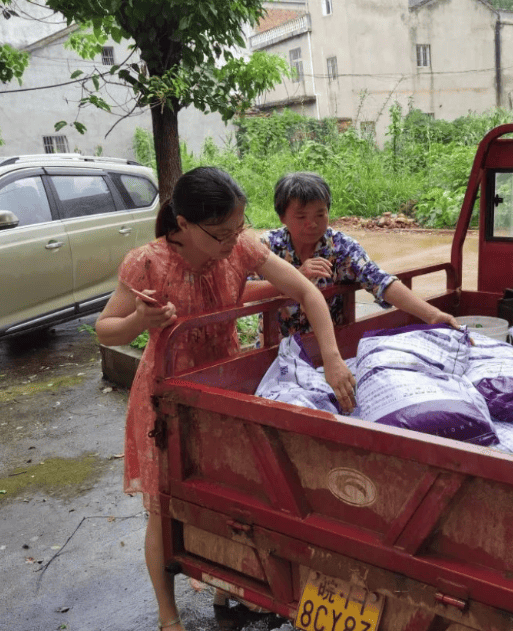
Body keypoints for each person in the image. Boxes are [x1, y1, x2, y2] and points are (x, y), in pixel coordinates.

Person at [95, 167, 355, 631]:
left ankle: (226, 585)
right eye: (220, 234)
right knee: (163, 508)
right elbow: (105, 328)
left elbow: (306, 292)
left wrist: (333, 359)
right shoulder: (146, 262)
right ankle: (168, 615)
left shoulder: (242, 246)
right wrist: (140, 320)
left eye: (238, 228)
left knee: (229, 496)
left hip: (225, 388)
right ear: (183, 225)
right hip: (167, 399)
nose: (232, 241)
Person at [255, 171, 460, 336]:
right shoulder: (266, 246)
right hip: (272, 351)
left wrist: (432, 315)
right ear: (282, 217)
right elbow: (241, 290)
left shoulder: (340, 247)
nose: (313, 224)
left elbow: (379, 280)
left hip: (325, 351)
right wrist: (295, 278)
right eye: (301, 217)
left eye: (321, 213)